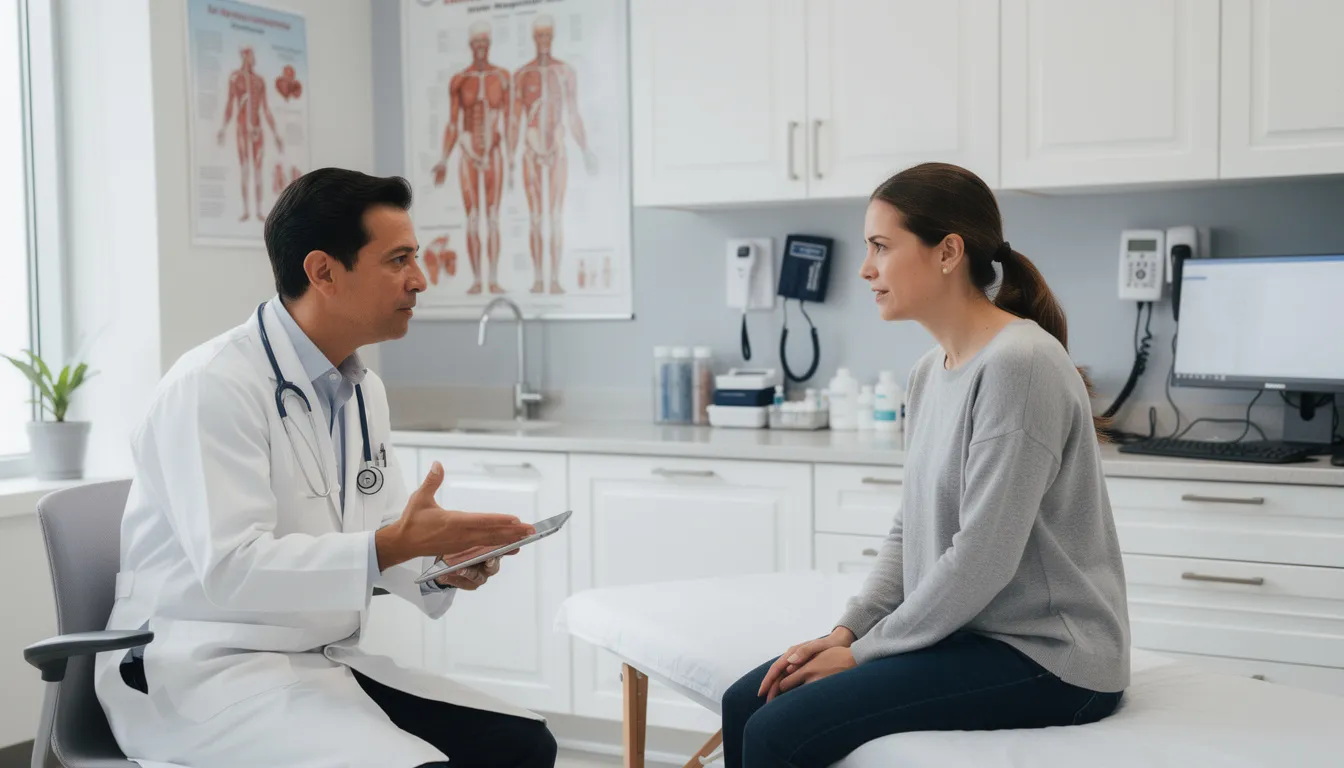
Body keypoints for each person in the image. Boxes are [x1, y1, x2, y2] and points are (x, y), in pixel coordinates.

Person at [93, 168, 559, 768]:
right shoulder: (213, 386)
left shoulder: (362, 390)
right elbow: (234, 569)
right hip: (201, 672)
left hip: (315, 660)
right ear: (323, 272)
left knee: (525, 746)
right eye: (398, 260)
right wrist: (395, 544)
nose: (420, 279)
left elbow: (381, 535)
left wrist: (443, 565)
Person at [719, 162, 1132, 768]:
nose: (866, 269)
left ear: (948, 252)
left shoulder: (1019, 365)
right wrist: (847, 632)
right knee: (747, 701)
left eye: (881, 247)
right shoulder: (927, 372)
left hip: (1049, 656)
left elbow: (982, 558)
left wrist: (862, 656)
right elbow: (908, 530)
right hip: (968, 636)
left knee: (778, 730)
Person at [507, 14, 598, 295]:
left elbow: (573, 114)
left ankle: (555, 279)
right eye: (540, 36)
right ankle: (538, 278)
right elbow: (515, 120)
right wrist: (510, 160)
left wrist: (585, 149)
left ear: (553, 37)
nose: (544, 41)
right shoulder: (522, 75)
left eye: (547, 35)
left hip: (557, 149)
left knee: (556, 216)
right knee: (536, 217)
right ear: (534, 38)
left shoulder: (565, 72)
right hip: (532, 151)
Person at [432, 21, 510, 296]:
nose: (480, 48)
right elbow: (453, 123)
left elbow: (510, 120)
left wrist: (511, 158)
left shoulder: (502, 77)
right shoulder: (460, 80)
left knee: (493, 218)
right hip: (467, 151)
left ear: (489, 44)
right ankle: (478, 280)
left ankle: (494, 279)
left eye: (484, 43)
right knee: (474, 218)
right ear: (470, 45)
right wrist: (444, 158)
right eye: (476, 43)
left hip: (493, 152)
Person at [217, 46, 284, 222]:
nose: (254, 58)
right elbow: (230, 104)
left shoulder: (259, 81)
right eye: (251, 55)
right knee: (245, 168)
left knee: (258, 169)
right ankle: (247, 210)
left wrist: (276, 134)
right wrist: (223, 128)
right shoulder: (235, 78)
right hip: (242, 129)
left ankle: (259, 211)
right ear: (245, 56)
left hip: (257, 128)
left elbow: (265, 108)